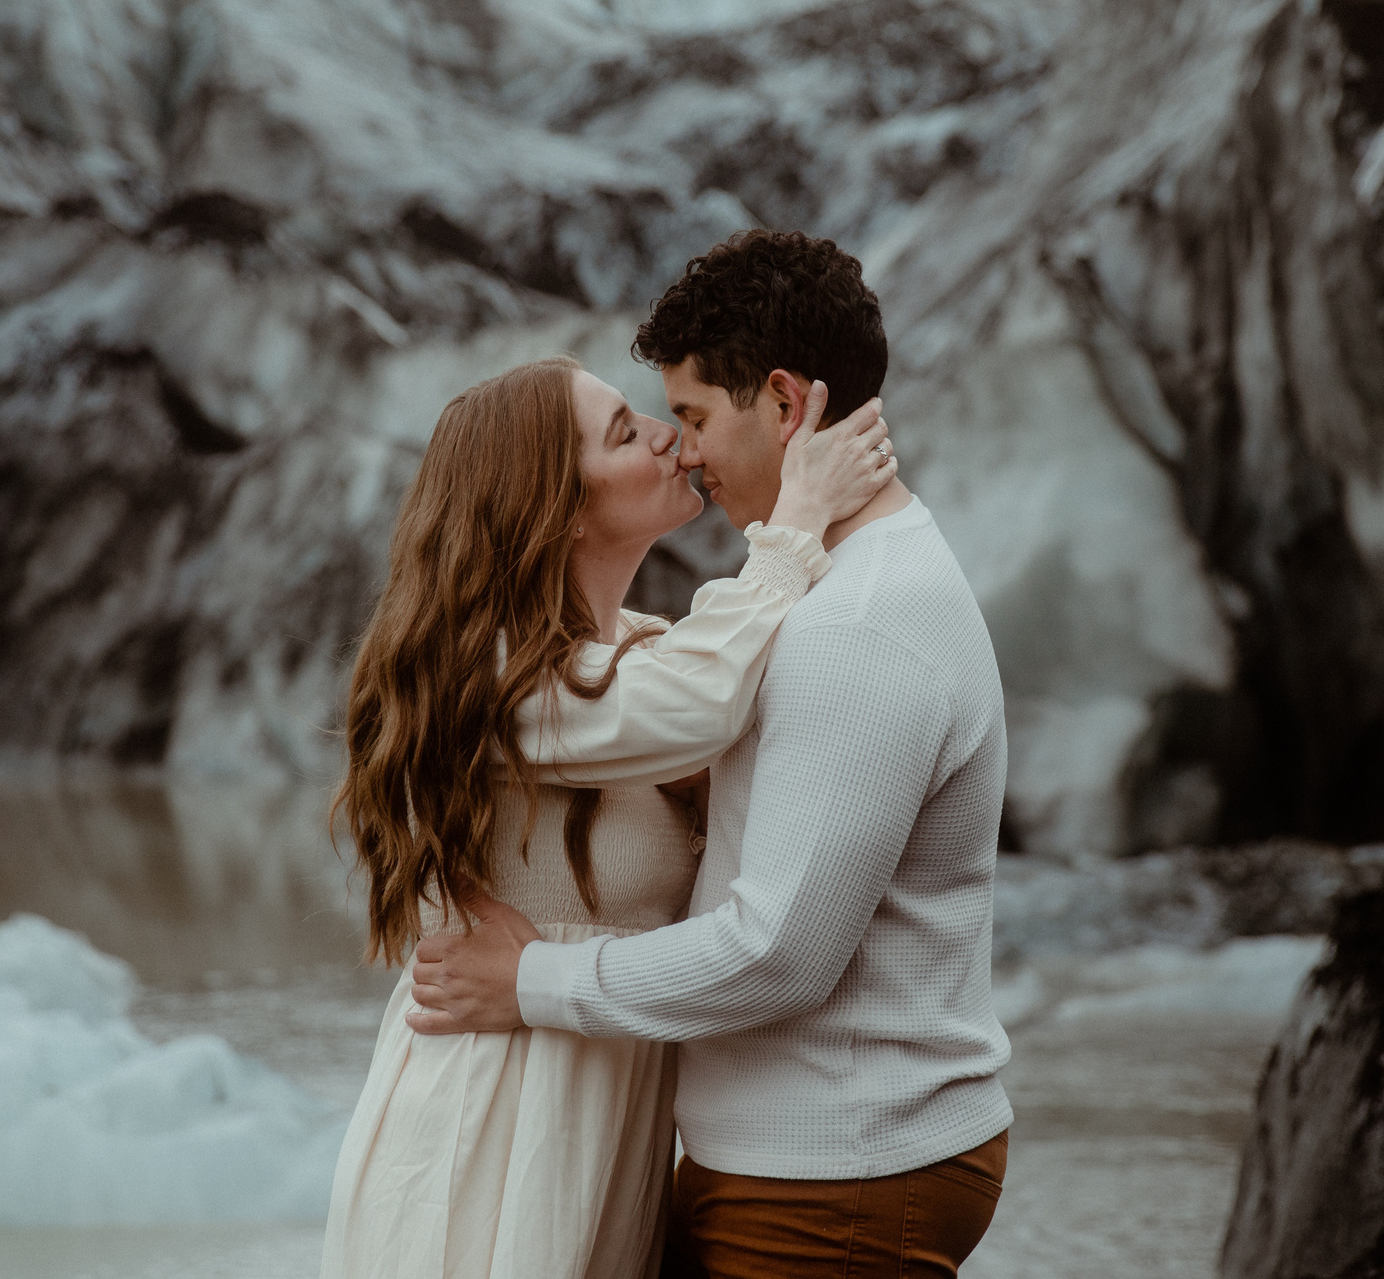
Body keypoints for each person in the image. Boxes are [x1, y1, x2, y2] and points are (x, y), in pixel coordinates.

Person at [409, 230, 1013, 1279]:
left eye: (690, 417)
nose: (680, 449)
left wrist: (531, 981)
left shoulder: (850, 631)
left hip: (831, 1176)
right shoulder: (832, 596)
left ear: (784, 406)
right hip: (811, 1162)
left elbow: (774, 950)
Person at [319, 348, 899, 1279]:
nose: (669, 435)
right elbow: (698, 704)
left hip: (607, 1125)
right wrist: (795, 521)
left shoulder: (647, 651)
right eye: (627, 432)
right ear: (553, 506)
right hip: (492, 1127)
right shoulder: (498, 681)